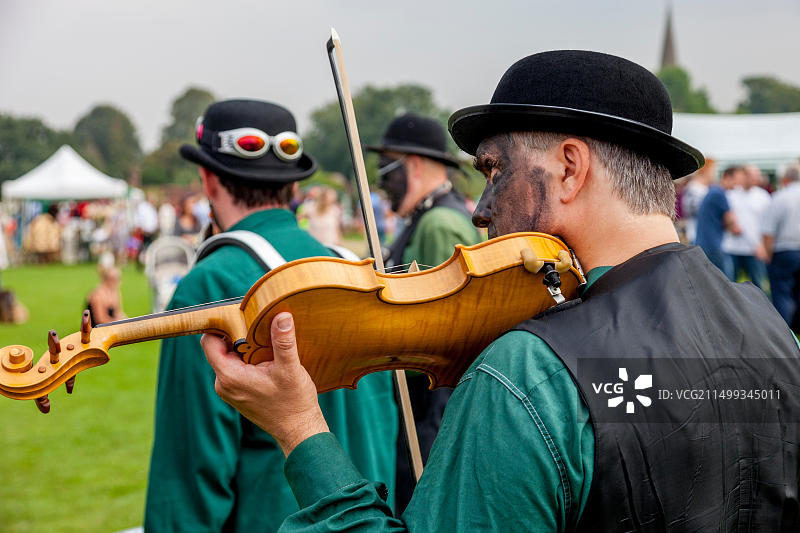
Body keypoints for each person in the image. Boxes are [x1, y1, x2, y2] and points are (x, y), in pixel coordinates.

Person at [200, 51, 800, 532]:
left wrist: (300, 429)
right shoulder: (776, 334)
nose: (482, 211)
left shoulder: (529, 372)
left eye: (495, 171)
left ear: (570, 168)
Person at [144, 99, 397, 532]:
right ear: (293, 186)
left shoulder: (209, 286)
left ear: (208, 180)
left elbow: (189, 481)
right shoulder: (356, 269)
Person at [366, 113, 482, 511]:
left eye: (387, 168)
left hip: (430, 411)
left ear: (413, 166)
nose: (381, 181)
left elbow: (441, 337)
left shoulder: (437, 224)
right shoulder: (426, 218)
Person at [763, 164, 800, 329]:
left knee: (782, 294)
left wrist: (768, 254)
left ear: (785, 179)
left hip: (784, 251)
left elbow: (768, 231)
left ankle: (786, 332)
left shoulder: (780, 197)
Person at [694, 165, 745, 279]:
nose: (738, 184)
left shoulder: (713, 191)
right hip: (713, 245)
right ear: (727, 177)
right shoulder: (719, 193)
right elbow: (731, 220)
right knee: (726, 282)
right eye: (737, 179)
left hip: (705, 243)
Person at [679, 158, 715, 243]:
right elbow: (692, 211)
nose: (714, 174)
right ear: (706, 170)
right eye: (713, 170)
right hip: (696, 235)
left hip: (704, 235)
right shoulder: (694, 188)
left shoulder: (704, 188)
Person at [86, 257, 126, 326]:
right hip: (98, 331)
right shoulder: (98, 295)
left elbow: (118, 312)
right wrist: (119, 322)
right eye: (116, 279)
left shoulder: (114, 291)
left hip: (110, 326)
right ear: (108, 279)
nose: (119, 282)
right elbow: (100, 320)